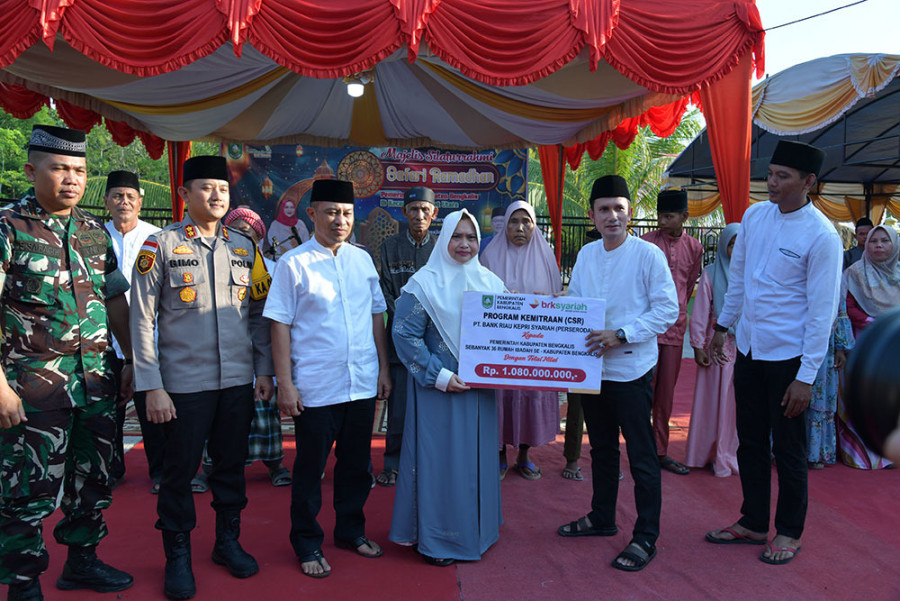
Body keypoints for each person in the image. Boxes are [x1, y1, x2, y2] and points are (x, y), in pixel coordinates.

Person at [130, 155, 275, 600]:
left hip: (235, 383)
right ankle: (177, 555)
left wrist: (263, 370)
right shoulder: (161, 246)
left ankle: (226, 542)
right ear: (184, 194)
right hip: (182, 387)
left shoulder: (245, 248)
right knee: (179, 473)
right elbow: (141, 319)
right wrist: (151, 384)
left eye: (223, 189)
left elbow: (257, 315)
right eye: (207, 188)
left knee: (230, 466)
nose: (216, 196)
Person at [0, 125, 134, 601]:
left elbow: (116, 300)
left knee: (93, 478)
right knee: (27, 489)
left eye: (79, 170)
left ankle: (82, 562)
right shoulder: (8, 226)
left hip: (96, 381)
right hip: (31, 385)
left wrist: (132, 360)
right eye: (59, 168)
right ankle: (22, 584)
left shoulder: (96, 231)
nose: (72, 179)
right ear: (31, 169)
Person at [706, 140, 843, 566]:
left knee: (788, 449)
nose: (772, 183)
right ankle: (752, 521)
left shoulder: (822, 236)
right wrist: (722, 327)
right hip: (748, 348)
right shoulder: (753, 216)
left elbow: (822, 314)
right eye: (771, 174)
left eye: (783, 177)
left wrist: (806, 377)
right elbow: (740, 281)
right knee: (749, 442)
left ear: (809, 182)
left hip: (789, 359)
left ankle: (788, 532)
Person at [264, 179, 391, 579]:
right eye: (332, 212)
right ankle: (307, 541)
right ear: (312, 214)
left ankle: (350, 531)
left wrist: (384, 369)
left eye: (347, 214)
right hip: (315, 387)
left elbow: (376, 317)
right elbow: (279, 325)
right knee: (311, 468)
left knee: (356, 467)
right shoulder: (293, 263)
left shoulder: (363, 260)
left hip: (361, 383)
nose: (340, 220)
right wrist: (285, 383)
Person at [557, 175, 678, 573]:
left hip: (630, 369)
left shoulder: (648, 256)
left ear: (630, 213)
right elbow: (578, 301)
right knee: (603, 449)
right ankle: (602, 517)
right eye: (604, 209)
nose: (612, 216)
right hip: (593, 370)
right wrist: (560, 306)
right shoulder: (589, 254)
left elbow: (667, 310)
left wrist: (621, 334)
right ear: (592, 215)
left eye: (618, 208)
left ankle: (646, 536)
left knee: (641, 454)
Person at [390, 209, 506, 566]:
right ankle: (440, 538)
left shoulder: (491, 282)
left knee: (478, 460)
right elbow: (403, 334)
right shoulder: (424, 283)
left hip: (480, 393)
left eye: (472, 237)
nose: (465, 244)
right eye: (457, 236)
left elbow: (510, 334)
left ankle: (477, 530)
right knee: (442, 464)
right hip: (439, 391)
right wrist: (439, 377)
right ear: (444, 240)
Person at [481, 200, 562, 480]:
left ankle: (525, 456)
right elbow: (479, 302)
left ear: (534, 226)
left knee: (530, 397)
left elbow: (556, 302)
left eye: (526, 222)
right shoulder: (489, 257)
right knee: (499, 398)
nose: (519, 228)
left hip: (535, 349)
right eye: (514, 222)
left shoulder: (546, 255)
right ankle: (500, 455)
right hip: (499, 347)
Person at [103, 170, 164, 493]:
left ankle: (160, 471)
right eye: (117, 196)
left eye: (130, 196)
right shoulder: (94, 236)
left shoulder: (158, 237)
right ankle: (111, 469)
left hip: (147, 340)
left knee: (151, 407)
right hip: (102, 341)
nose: (123, 202)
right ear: (106, 201)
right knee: (106, 410)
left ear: (140, 202)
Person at [375, 186, 438, 487]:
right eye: (414, 209)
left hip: (432, 343)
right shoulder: (390, 247)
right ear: (405, 212)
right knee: (398, 409)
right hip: (398, 341)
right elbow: (385, 292)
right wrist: (408, 321)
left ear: (434, 214)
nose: (419, 215)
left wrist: (426, 323)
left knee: (431, 407)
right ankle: (393, 463)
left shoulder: (442, 248)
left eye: (425, 210)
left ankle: (428, 463)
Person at [641, 189, 703, 475]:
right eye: (660, 216)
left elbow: (689, 285)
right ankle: (636, 448)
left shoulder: (695, 247)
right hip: (646, 328)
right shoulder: (645, 243)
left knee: (665, 394)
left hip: (675, 329)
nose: (662, 222)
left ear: (684, 217)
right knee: (641, 392)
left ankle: (660, 451)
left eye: (669, 216)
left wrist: (677, 312)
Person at [837, 224, 899, 469]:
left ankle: (891, 452)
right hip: (863, 342)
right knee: (865, 394)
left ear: (894, 244)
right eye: (874, 241)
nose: (879, 246)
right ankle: (863, 455)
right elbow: (846, 306)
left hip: (894, 343)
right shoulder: (854, 273)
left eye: (885, 241)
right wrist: (873, 321)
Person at [684, 223, 740, 477]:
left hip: (746, 346)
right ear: (723, 246)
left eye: (741, 243)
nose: (737, 249)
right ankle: (706, 452)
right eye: (732, 243)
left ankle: (730, 453)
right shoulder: (711, 273)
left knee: (737, 404)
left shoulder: (752, 273)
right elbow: (700, 312)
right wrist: (697, 345)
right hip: (717, 346)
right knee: (713, 401)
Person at [805, 301, 853, 470]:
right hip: (795, 333)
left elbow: (840, 308)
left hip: (825, 339)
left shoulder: (834, 274)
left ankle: (815, 452)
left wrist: (841, 346)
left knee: (820, 394)